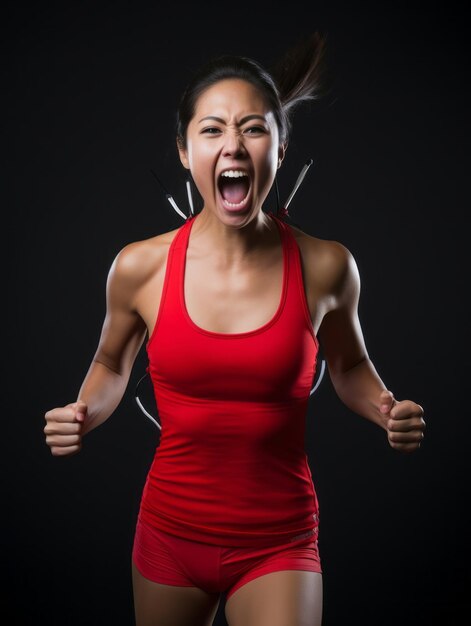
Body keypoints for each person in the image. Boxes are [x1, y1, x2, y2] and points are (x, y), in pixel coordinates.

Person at [43, 32, 426, 626]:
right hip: (169, 534)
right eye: (213, 129)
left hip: (280, 540)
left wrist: (383, 406)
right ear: (182, 149)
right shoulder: (139, 267)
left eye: (253, 128)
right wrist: (84, 411)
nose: (234, 146)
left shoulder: (327, 265)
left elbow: (348, 365)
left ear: (279, 146)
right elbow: (113, 364)